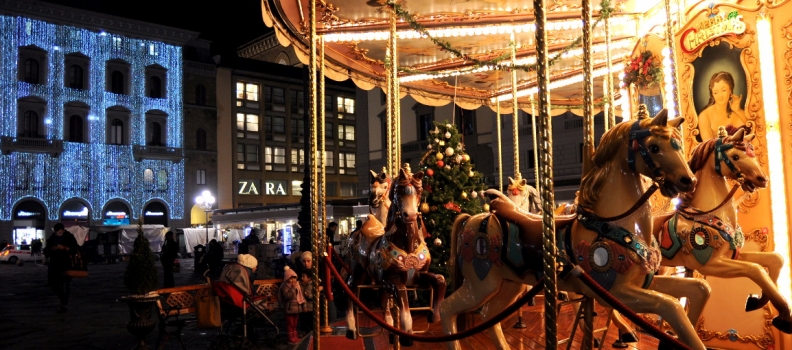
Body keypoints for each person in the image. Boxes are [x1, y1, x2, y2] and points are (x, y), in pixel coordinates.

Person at [697, 71, 747, 141]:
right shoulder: (705, 115)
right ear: (712, 94)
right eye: (716, 92)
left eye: (723, 90)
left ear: (730, 90)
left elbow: (752, 127)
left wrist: (737, 110)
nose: (720, 96)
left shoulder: (735, 114)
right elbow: (708, 145)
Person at [43, 223, 80, 313]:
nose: (58, 234)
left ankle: (64, 304)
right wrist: (53, 249)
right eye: (57, 233)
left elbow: (75, 249)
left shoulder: (69, 237)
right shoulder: (52, 238)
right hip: (54, 264)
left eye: (59, 232)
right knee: (53, 285)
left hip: (65, 263)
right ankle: (62, 298)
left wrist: (65, 248)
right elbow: (46, 251)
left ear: (63, 230)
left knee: (65, 284)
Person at [279, 266, 305, 345]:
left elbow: (301, 296)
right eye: (291, 278)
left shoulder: (297, 286)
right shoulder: (285, 286)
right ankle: (290, 338)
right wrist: (292, 289)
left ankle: (295, 335)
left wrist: (304, 305)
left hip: (296, 307)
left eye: (294, 278)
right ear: (287, 278)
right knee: (290, 323)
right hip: (290, 308)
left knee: (295, 323)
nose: (293, 280)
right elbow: (287, 296)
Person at [298, 269, 322, 336]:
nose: (302, 278)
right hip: (302, 306)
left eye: (304, 276)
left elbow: (316, 295)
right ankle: (304, 331)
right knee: (303, 320)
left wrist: (309, 295)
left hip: (311, 307)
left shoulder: (313, 285)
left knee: (310, 321)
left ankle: (311, 332)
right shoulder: (300, 284)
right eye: (301, 276)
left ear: (309, 278)